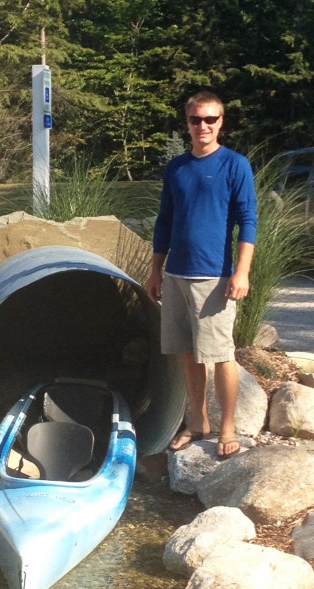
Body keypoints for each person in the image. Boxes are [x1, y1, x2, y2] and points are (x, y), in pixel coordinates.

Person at [146, 90, 257, 458]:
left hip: (216, 278)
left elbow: (248, 221)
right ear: (188, 123)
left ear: (221, 122)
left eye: (211, 119)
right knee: (188, 354)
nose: (203, 126)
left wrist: (241, 272)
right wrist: (155, 271)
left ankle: (227, 428)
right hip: (177, 275)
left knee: (222, 355)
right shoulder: (176, 167)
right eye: (196, 119)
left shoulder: (234, 165)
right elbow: (165, 221)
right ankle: (198, 423)